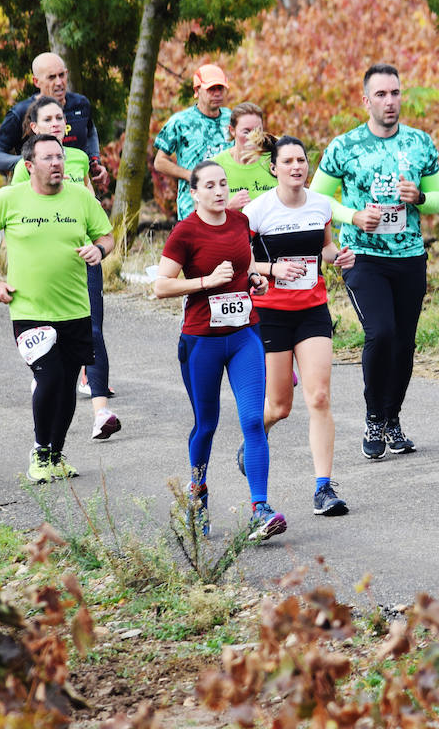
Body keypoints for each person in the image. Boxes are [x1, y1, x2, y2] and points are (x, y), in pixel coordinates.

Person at [310, 63, 439, 459]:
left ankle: (392, 418)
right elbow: (318, 199)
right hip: (363, 258)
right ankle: (373, 417)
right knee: (381, 333)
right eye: (382, 95)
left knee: (404, 344)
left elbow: (438, 197)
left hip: (409, 257)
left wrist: (418, 198)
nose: (390, 102)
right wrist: (352, 216)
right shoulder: (345, 146)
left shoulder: (420, 143)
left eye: (396, 93)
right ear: (366, 100)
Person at [0, 134, 114, 482]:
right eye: (48, 158)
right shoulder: (9, 198)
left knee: (66, 385)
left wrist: (100, 251)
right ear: (29, 165)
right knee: (48, 377)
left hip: (75, 309)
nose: (57, 164)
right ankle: (39, 451)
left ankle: (56, 453)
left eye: (60, 157)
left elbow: (106, 236)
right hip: (29, 309)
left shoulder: (81, 198)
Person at [154, 161, 281, 540]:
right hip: (201, 341)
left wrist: (254, 280)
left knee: (253, 421)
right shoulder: (185, 232)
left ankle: (260, 508)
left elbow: (244, 271)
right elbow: (161, 286)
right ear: (194, 193)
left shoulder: (240, 223)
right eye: (209, 186)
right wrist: (206, 282)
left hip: (244, 335)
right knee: (206, 424)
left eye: (223, 183)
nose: (219, 191)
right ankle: (197, 496)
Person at [244, 136, 355, 516]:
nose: (297, 167)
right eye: (288, 161)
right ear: (274, 168)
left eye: (302, 160)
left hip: (312, 309)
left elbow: (323, 247)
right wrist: (273, 268)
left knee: (320, 397)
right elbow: (241, 262)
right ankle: (254, 439)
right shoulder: (257, 212)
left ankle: (323, 488)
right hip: (271, 311)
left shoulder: (320, 205)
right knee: (278, 406)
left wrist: (337, 255)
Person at [11, 97, 121, 440]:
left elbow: (88, 204)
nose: (59, 123)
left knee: (93, 331)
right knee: (53, 350)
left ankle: (100, 412)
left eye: (61, 117)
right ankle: (45, 381)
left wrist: (97, 246)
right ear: (34, 127)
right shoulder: (22, 168)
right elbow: (17, 216)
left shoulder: (76, 158)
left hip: (83, 261)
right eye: (50, 118)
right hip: (44, 271)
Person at [0, 53, 107, 190]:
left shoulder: (80, 103)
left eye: (62, 75)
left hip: (76, 187)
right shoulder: (21, 113)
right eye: (51, 77)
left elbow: (90, 131)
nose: (59, 83)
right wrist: (34, 162)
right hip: (39, 190)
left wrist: (95, 161)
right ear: (36, 82)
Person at [153, 64, 232, 220]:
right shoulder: (180, 121)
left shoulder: (232, 118)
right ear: (197, 91)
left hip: (226, 200)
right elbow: (159, 162)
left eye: (220, 89)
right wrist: (191, 175)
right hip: (192, 204)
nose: (217, 94)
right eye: (211, 89)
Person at [211, 102, 277, 211]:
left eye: (257, 131)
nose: (252, 137)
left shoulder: (275, 161)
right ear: (232, 130)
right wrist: (228, 208)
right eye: (246, 131)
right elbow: (201, 218)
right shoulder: (215, 166)